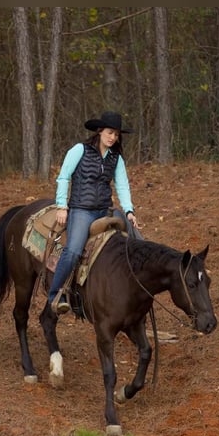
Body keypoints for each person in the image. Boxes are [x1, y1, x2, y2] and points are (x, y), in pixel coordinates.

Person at [47, 111, 140, 314]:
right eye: (109, 133)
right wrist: (62, 206)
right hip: (82, 209)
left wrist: (129, 210)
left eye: (116, 134)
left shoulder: (116, 158)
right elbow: (63, 177)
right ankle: (55, 295)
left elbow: (122, 185)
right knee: (73, 251)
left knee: (132, 237)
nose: (112, 137)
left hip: (104, 209)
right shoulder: (80, 150)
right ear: (99, 131)